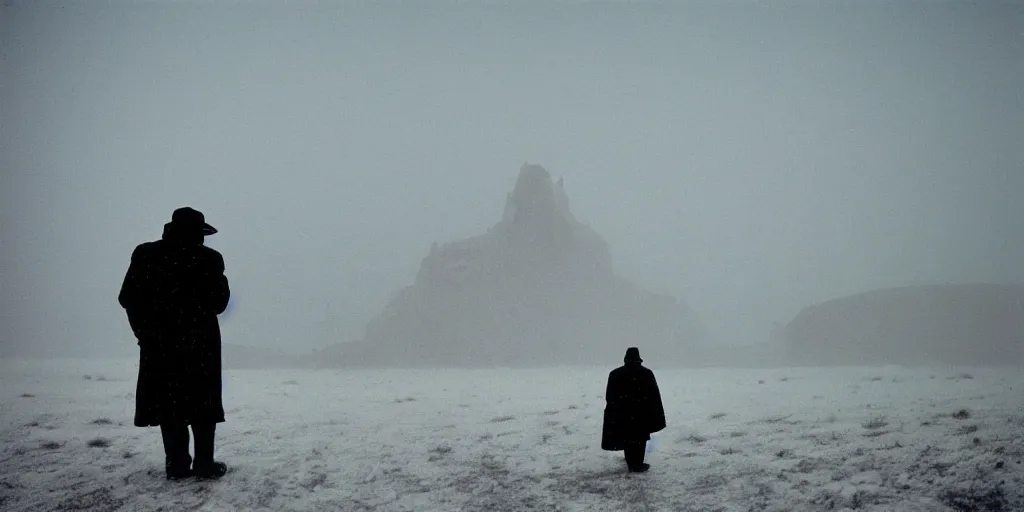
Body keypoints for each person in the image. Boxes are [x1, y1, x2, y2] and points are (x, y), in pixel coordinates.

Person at [118, 207, 231, 480]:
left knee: (170, 406)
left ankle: (177, 465)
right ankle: (204, 464)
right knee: (202, 407)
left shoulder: (146, 254)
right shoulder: (209, 260)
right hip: (200, 345)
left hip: (160, 345)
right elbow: (219, 303)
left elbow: (128, 298)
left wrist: (144, 333)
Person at [601, 347, 666, 472]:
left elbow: (610, 397)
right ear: (638, 358)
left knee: (627, 439)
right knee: (640, 440)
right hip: (641, 414)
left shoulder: (615, 374)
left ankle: (631, 464)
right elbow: (654, 396)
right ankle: (638, 464)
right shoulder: (646, 373)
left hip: (623, 415)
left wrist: (615, 411)